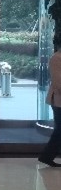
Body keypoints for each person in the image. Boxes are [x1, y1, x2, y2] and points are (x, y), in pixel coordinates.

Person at [39, 37, 61, 167]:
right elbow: (58, 82)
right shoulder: (56, 58)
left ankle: (46, 156)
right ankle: (47, 156)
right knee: (60, 130)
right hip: (58, 100)